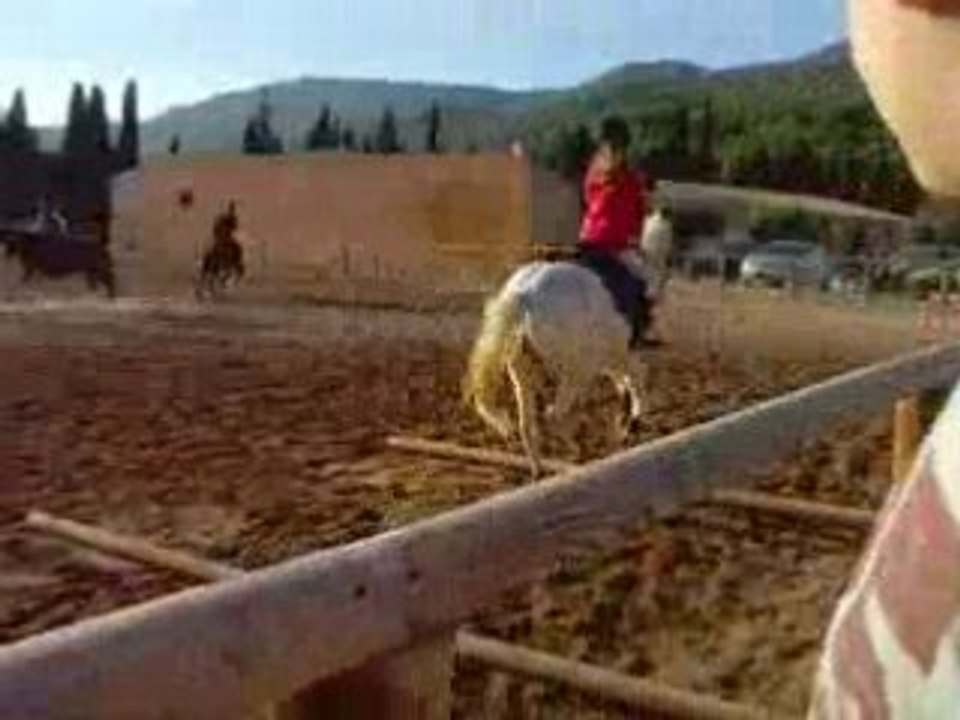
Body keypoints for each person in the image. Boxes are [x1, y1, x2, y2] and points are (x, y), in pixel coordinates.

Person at [577, 115, 660, 349]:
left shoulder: (594, 172)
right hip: (611, 244)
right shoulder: (631, 178)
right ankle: (636, 333)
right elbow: (638, 213)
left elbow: (588, 200)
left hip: (587, 240)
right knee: (644, 280)